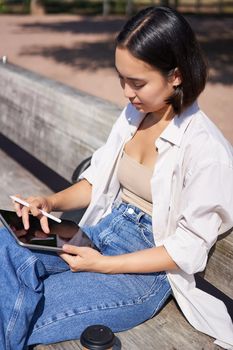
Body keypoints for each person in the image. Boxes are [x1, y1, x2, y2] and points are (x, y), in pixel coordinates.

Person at [0, 6, 233, 350]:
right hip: (99, 233)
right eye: (121, 78)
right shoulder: (135, 113)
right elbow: (96, 181)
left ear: (177, 76)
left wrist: (104, 265)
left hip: (143, 271)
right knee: (5, 244)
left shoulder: (206, 149)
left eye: (137, 82)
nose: (126, 91)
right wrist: (49, 202)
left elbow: (187, 249)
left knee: (22, 313)